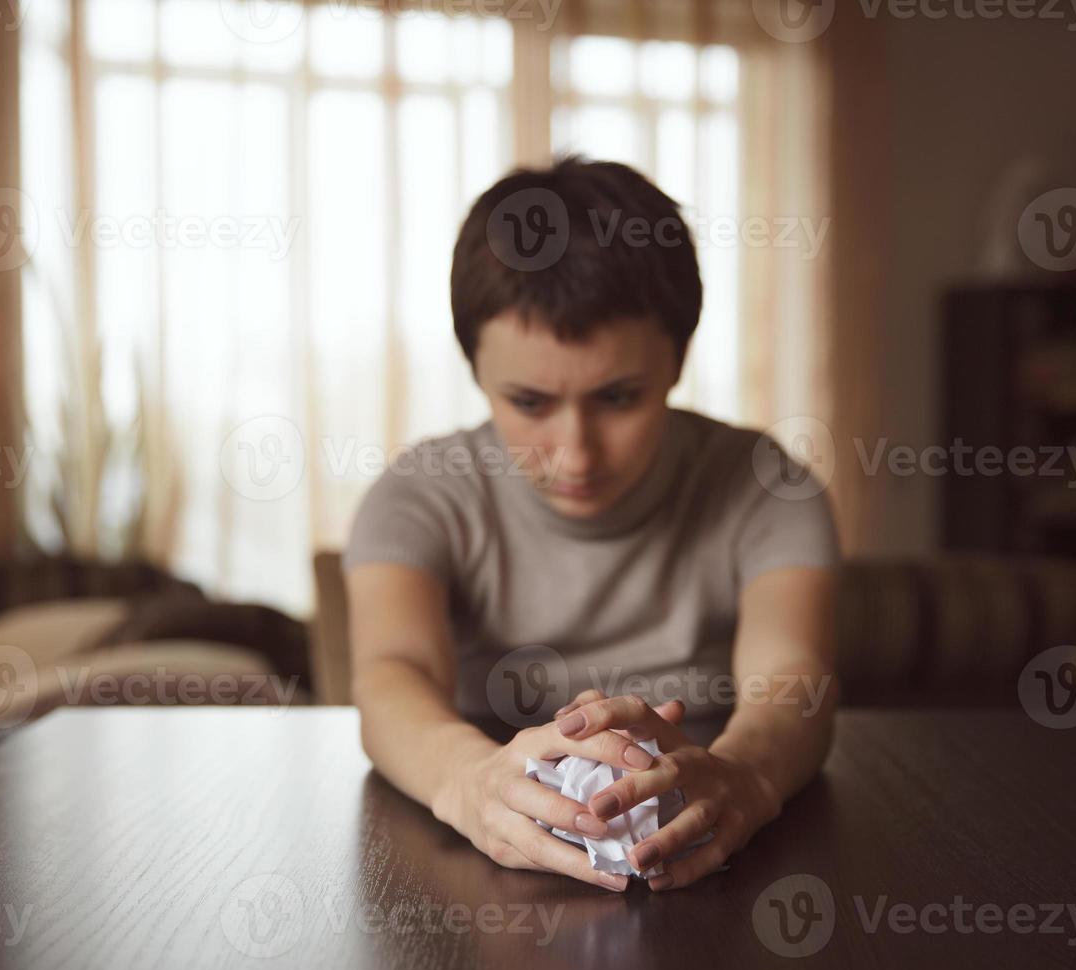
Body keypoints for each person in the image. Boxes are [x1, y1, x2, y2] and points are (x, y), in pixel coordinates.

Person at [344, 156, 840, 893]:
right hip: (487, 845)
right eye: (530, 403)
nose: (575, 453)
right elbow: (392, 673)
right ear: (477, 372)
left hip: (714, 842)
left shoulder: (768, 487)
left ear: (677, 360)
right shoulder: (418, 494)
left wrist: (748, 777)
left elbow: (793, 681)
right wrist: (465, 782)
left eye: (618, 398)